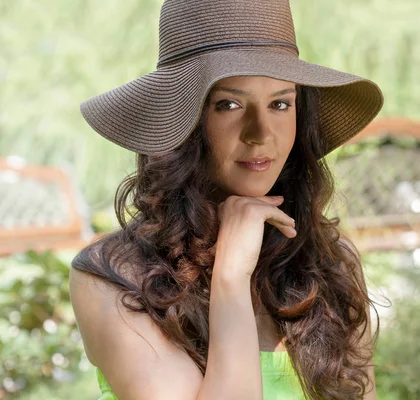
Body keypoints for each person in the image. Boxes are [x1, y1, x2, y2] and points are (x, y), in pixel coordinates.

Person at [69, 0, 384, 399]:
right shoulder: (114, 279)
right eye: (229, 105)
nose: (260, 133)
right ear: (184, 120)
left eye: (280, 103)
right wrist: (231, 279)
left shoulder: (329, 265)